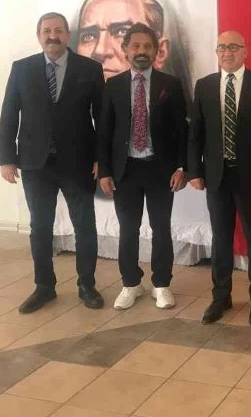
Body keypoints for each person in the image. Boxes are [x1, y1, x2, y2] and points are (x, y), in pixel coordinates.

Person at [0, 12, 104, 313]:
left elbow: (102, 118)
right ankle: (44, 287)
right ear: (39, 36)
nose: (52, 35)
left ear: (67, 34)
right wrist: (7, 158)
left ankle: (87, 285)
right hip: (35, 163)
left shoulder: (90, 69)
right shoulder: (22, 69)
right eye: (46, 31)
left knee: (85, 225)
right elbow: (9, 114)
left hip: (78, 162)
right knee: (40, 227)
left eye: (58, 30)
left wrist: (101, 158)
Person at [188, 31, 251, 327]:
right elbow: (196, 133)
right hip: (216, 177)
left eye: (233, 47)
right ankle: (221, 297)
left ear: (245, 51)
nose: (227, 52)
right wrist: (194, 171)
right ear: (217, 52)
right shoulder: (204, 85)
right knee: (221, 239)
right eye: (221, 47)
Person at [97, 23, 189, 310]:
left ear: (156, 51)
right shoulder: (113, 86)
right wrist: (105, 171)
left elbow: (182, 130)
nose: (141, 51)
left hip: (161, 170)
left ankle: (161, 284)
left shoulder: (170, 85)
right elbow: (104, 132)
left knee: (161, 227)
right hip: (125, 170)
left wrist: (182, 167)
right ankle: (131, 284)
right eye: (135, 46)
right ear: (126, 50)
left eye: (147, 46)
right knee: (128, 229)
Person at [75, 0, 189, 92]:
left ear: (160, 52)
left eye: (122, 32)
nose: (100, 51)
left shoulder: (172, 92)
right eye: (89, 36)